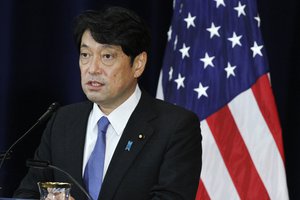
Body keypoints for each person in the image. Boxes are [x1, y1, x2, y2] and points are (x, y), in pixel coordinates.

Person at [13, 6, 202, 200]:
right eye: (85, 55)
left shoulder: (175, 127)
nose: (92, 69)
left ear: (138, 64)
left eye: (107, 56)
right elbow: (27, 193)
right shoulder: (62, 122)